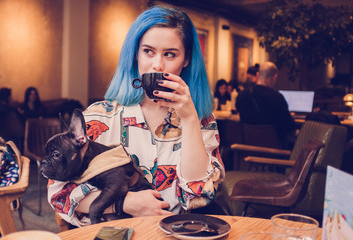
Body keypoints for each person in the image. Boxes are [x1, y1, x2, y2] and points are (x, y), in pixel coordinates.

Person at [47, 6, 225, 227]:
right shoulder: (98, 118)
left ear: (186, 59)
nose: (157, 64)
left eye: (170, 54)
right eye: (148, 51)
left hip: (175, 232)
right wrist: (123, 203)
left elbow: (200, 195)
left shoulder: (202, 121)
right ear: (135, 55)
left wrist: (189, 118)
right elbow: (59, 194)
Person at [236, 62, 296, 149]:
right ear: (274, 77)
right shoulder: (277, 98)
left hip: (247, 150)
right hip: (273, 151)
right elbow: (288, 126)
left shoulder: (242, 95)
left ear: (257, 74)